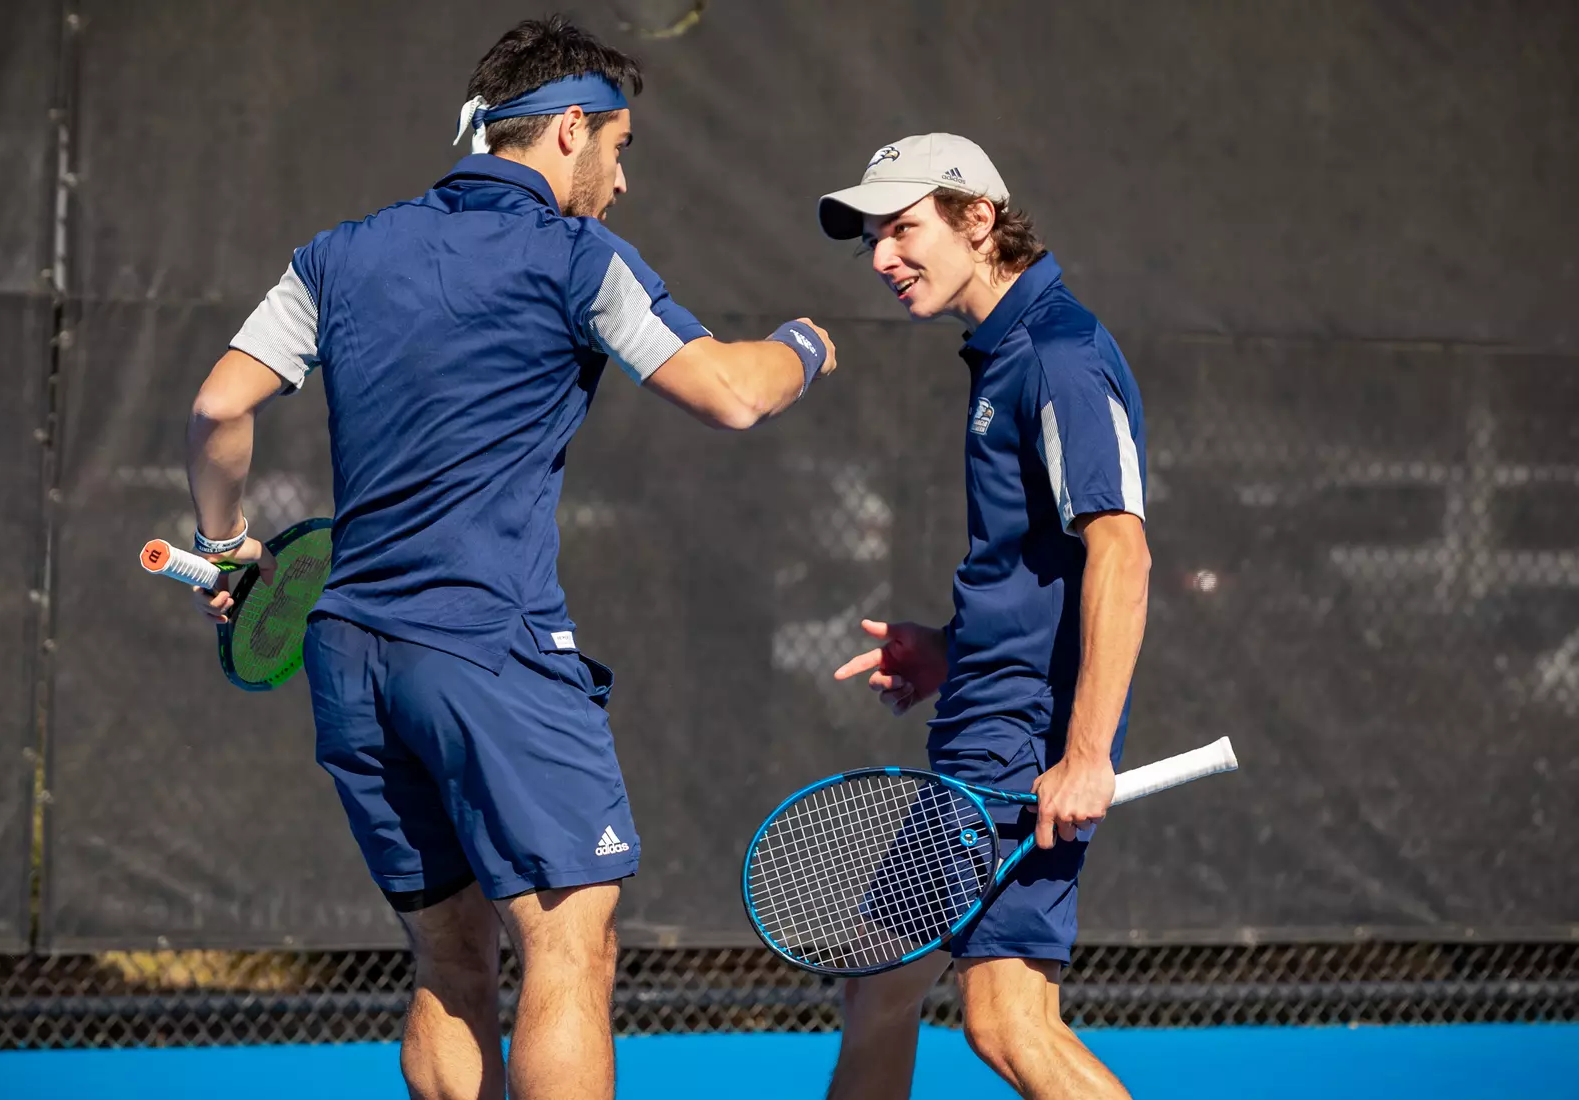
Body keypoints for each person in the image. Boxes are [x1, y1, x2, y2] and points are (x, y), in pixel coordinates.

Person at [180, 17, 836, 1100]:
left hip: (350, 662)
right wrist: (808, 346)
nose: (622, 182)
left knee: (451, 957)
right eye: (620, 149)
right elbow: (733, 392)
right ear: (570, 130)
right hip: (490, 648)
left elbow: (216, 403)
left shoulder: (336, 255)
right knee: (571, 947)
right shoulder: (577, 258)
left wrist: (221, 541)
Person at [818, 133, 1149, 1100]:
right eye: (873, 236)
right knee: (882, 982)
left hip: (1022, 742)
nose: (882, 256)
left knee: (1007, 1023)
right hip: (983, 715)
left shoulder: (1058, 354)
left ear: (978, 219)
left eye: (904, 228)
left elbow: (1120, 554)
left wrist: (1084, 756)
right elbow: (1040, 572)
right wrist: (953, 649)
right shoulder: (1005, 350)